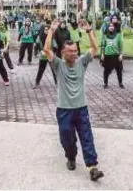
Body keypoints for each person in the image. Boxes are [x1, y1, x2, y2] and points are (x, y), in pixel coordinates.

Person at [44, 19, 104, 181]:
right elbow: (47, 49)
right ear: (63, 52)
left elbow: (94, 48)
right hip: (64, 110)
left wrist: (89, 30)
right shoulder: (58, 64)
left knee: (87, 136)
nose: (74, 53)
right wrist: (51, 30)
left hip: (81, 108)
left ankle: (92, 167)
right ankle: (71, 156)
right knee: (67, 138)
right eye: (70, 51)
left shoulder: (81, 62)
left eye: (75, 50)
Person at [101, 22, 124, 89]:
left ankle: (120, 83)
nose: (111, 27)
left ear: (114, 27)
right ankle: (105, 83)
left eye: (112, 26)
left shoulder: (118, 35)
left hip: (116, 55)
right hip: (107, 55)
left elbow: (120, 46)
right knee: (106, 70)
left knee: (119, 70)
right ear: (108, 27)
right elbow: (103, 45)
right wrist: (102, 54)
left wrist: (121, 55)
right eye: (109, 26)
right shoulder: (105, 35)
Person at [33, 24, 57, 89]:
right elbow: (36, 45)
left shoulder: (52, 37)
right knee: (41, 70)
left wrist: (53, 53)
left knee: (54, 70)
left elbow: (55, 46)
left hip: (50, 56)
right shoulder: (40, 37)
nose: (47, 31)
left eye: (48, 29)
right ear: (43, 30)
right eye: (45, 29)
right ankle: (37, 82)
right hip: (43, 56)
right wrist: (40, 51)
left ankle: (57, 83)